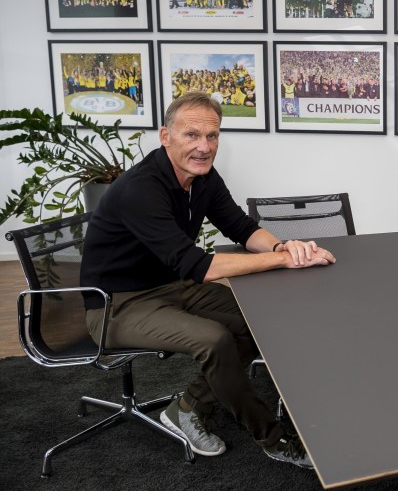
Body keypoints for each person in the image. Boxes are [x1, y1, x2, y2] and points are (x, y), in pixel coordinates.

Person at [79, 91, 336, 468]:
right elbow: (201, 267)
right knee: (214, 339)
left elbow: (241, 226)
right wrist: (279, 263)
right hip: (116, 305)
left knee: (259, 319)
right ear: (165, 136)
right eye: (192, 135)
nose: (204, 147)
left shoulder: (203, 178)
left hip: (169, 287)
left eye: (212, 136)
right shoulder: (141, 189)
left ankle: (188, 407)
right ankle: (274, 437)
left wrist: (285, 248)